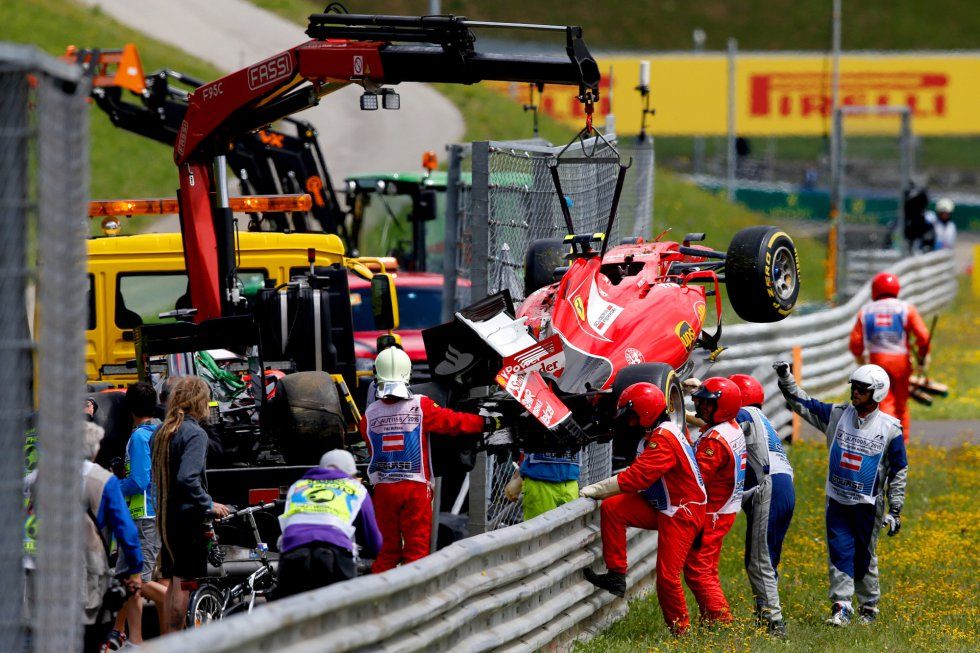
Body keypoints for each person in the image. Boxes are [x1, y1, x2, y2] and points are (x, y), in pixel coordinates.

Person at [773, 361, 906, 627]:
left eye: (862, 389)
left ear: (877, 393)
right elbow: (804, 403)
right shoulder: (836, 414)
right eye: (854, 387)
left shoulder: (890, 429)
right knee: (839, 553)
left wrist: (895, 510)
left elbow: (899, 471)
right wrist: (786, 377)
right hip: (837, 500)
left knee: (864, 557)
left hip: (869, 505)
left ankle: (868, 607)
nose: (855, 392)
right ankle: (842, 607)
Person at [580, 383, 707, 635]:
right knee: (614, 508)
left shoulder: (664, 438)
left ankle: (681, 633)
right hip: (667, 504)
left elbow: (637, 478)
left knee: (668, 578)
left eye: (632, 416)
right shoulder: (660, 431)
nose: (629, 422)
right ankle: (616, 575)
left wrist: (595, 489)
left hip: (681, 511)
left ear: (646, 413)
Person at [361, 347, 500, 572]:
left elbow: (370, 445)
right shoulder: (420, 405)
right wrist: (487, 423)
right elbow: (453, 422)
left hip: (384, 489)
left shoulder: (369, 414)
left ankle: (381, 598)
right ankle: (415, 597)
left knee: (388, 551)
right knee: (416, 550)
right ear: (409, 374)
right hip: (414, 487)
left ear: (377, 375)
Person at [150, 376, 231, 633]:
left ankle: (172, 638)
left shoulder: (162, 432)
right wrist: (209, 503)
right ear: (201, 401)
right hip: (188, 521)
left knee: (174, 580)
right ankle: (179, 640)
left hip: (166, 517)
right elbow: (188, 478)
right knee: (185, 582)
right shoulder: (195, 433)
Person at [729, 374, 795, 638]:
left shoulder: (744, 414)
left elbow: (714, 427)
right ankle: (764, 613)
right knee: (767, 557)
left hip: (769, 487)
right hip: (783, 486)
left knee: (759, 560)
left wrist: (685, 415)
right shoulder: (763, 419)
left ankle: (773, 622)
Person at [106, 382, 168, 648]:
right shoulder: (159, 432)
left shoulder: (141, 437)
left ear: (130, 408)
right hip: (146, 514)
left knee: (135, 580)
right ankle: (130, 637)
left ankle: (168, 599)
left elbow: (139, 481)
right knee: (127, 579)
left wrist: (111, 486)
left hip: (143, 515)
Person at [277, 449, 382, 598]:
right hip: (335, 552)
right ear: (350, 473)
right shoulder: (356, 489)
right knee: (342, 614)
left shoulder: (297, 486)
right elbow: (373, 540)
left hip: (293, 552)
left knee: (291, 613)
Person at [685, 377, 746, 625]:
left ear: (723, 407)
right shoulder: (730, 426)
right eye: (701, 402)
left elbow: (695, 477)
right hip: (724, 508)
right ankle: (712, 618)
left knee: (697, 568)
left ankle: (721, 621)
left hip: (713, 512)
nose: (701, 407)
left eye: (708, 404)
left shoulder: (714, 441)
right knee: (706, 566)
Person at [80, 421, 143, 653]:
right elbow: (125, 529)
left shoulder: (39, 477)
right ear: (95, 449)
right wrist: (134, 570)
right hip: (88, 567)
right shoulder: (103, 480)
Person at [849, 271, 930, 438]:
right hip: (901, 361)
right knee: (901, 402)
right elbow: (923, 336)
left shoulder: (865, 311)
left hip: (877, 361)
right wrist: (922, 355)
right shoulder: (907, 308)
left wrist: (859, 356)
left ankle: (885, 440)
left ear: (875, 290)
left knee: (884, 400)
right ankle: (902, 440)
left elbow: (856, 341)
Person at [507, 447, 581, 521]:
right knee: (540, 528)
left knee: (572, 528)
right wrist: (518, 477)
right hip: (539, 482)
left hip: (571, 480)